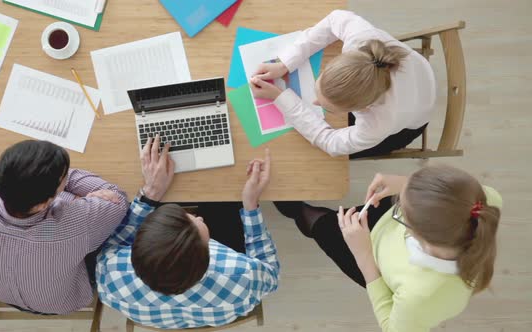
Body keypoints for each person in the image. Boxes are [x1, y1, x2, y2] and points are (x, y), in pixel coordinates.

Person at [278, 164, 501, 331]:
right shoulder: (481, 202)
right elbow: (466, 194)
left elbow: (390, 327)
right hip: (379, 234)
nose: (399, 204)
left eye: (402, 211)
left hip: (372, 265)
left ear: (416, 233)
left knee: (322, 226)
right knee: (333, 221)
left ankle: (297, 211)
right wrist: (406, 185)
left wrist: (362, 253)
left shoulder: (420, 296)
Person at [96, 135, 279, 329]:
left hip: (155, 314)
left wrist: (150, 195)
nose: (198, 217)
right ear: (209, 258)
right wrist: (250, 206)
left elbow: (113, 243)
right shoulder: (242, 276)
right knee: (223, 204)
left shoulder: (110, 277)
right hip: (220, 306)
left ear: (138, 248)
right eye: (206, 237)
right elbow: (271, 274)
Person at [0, 140, 129, 314]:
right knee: (114, 234)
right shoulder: (74, 222)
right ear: (43, 204)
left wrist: (57, 191)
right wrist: (71, 198)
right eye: (62, 178)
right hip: (62, 302)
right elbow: (118, 198)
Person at [250, 10, 435, 159]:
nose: (314, 101)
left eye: (327, 108)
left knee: (343, 158)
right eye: (319, 84)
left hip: (415, 119)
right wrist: (285, 63)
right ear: (341, 60)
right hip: (421, 74)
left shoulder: (377, 125)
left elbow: (331, 144)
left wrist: (281, 98)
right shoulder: (362, 40)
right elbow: (335, 18)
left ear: (364, 108)